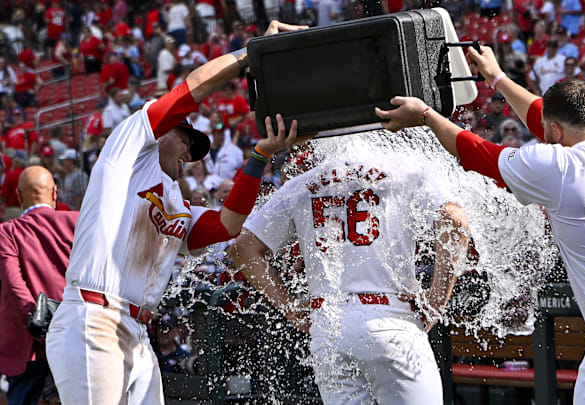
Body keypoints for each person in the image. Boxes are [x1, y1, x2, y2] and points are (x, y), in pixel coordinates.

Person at [375, 44, 585, 403]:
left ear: (555, 131)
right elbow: (544, 117)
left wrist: (427, 114)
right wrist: (498, 78)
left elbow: (477, 152)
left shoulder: (562, 167)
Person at [45, 20, 305, 405]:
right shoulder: (130, 151)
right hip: (93, 319)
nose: (192, 153)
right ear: (163, 132)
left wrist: (260, 155)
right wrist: (248, 54)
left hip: (136, 331)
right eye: (187, 140)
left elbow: (228, 225)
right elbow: (190, 91)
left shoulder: (179, 205)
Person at [231, 153, 469, 405]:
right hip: (392, 319)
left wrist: (289, 307)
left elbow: (242, 248)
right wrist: (435, 302)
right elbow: (454, 221)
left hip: (330, 328)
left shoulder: (301, 183)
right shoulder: (407, 169)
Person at [0, 166, 78, 405]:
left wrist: (37, 320)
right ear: (55, 193)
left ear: (19, 195)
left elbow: (14, 283)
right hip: (75, 331)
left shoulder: (6, 232)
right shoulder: (78, 221)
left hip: (28, 340)